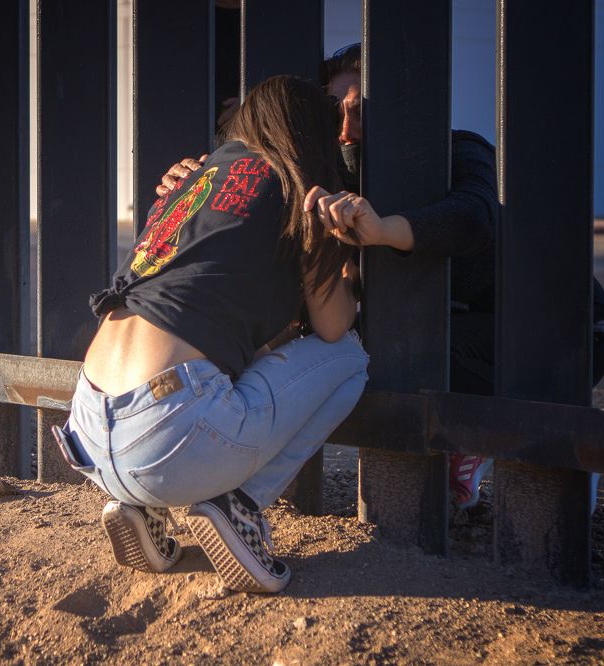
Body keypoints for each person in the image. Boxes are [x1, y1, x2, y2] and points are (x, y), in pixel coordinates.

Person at [158, 42, 604, 511]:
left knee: (370, 350)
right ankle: (476, 437)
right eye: (334, 113)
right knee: (347, 349)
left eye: (360, 112)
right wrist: (203, 182)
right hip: (446, 329)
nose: (344, 130)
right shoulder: (328, 174)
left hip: (561, 332)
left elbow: (473, 218)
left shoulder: (460, 148)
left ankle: (548, 439)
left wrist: (383, 231)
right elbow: (265, 201)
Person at [52, 76, 371, 594]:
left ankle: (140, 505)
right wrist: (342, 256)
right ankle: (239, 504)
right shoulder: (300, 188)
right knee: (351, 359)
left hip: (87, 427)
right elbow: (333, 325)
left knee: (213, 356)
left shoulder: (197, 177)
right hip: (168, 432)